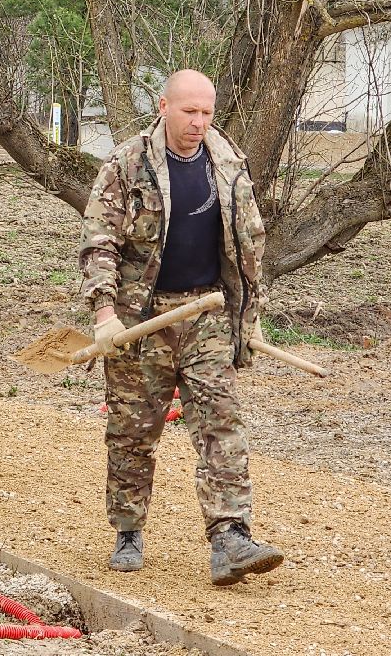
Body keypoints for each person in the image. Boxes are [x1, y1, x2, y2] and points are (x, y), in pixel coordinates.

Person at [78, 69, 283, 586]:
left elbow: (249, 245)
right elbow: (99, 241)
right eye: (188, 111)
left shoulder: (228, 165)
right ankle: (127, 529)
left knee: (221, 422)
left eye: (206, 112)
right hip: (141, 319)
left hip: (206, 314)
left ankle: (230, 536)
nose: (198, 122)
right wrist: (105, 313)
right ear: (164, 107)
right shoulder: (128, 163)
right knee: (132, 432)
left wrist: (247, 318)